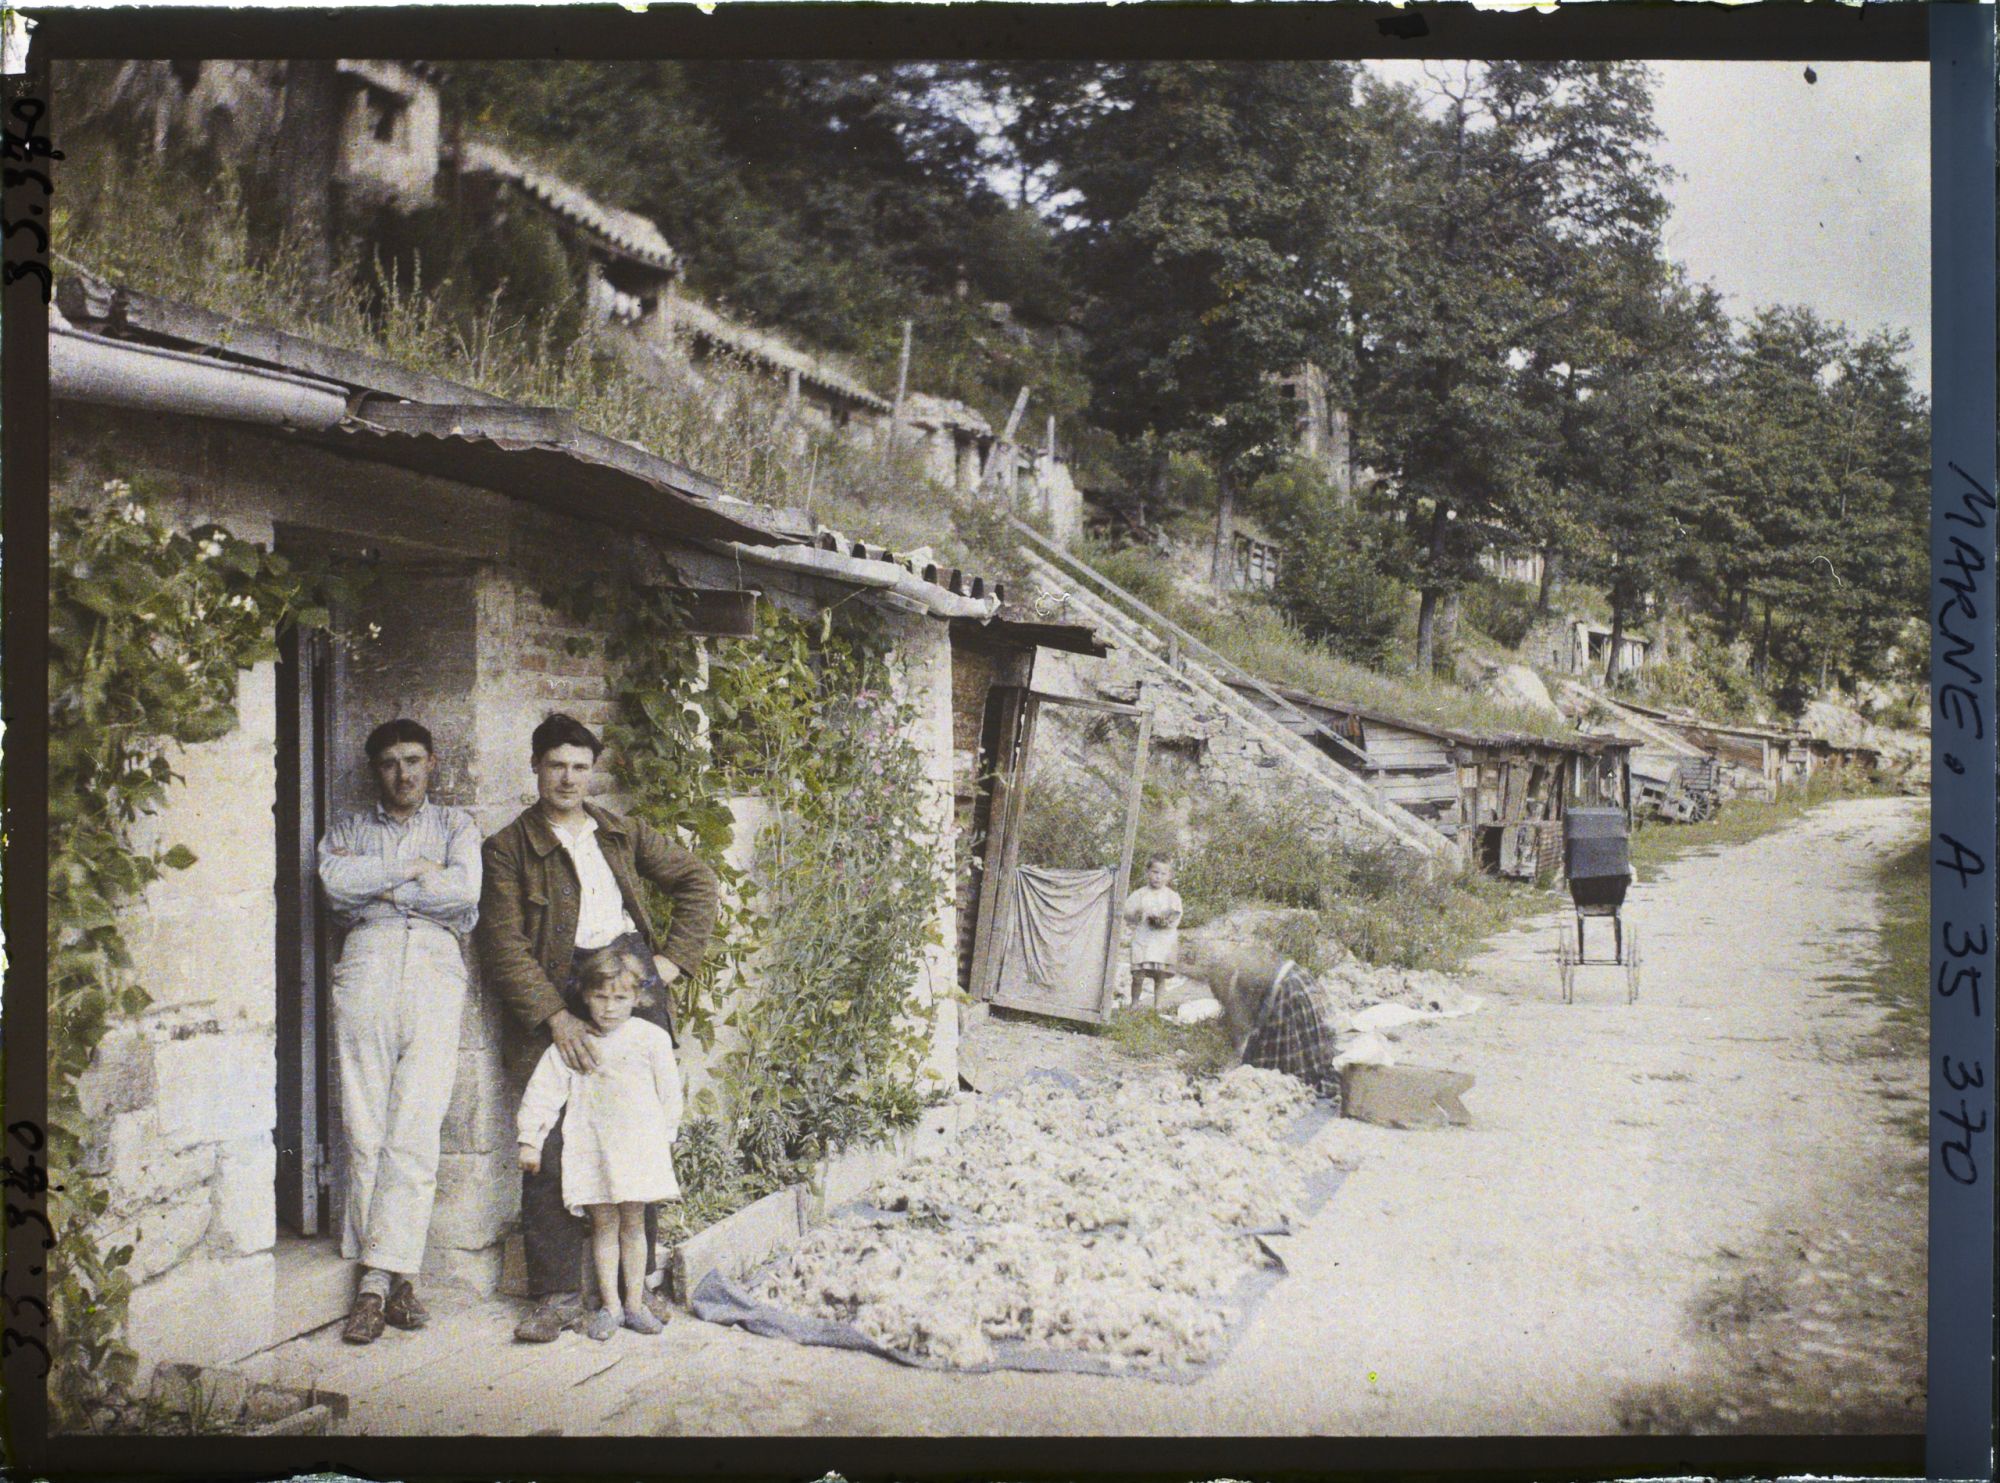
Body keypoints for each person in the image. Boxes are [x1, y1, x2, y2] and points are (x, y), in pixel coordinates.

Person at [477, 713, 720, 1344]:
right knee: (552, 1144)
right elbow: (503, 944)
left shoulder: (619, 832)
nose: (567, 778)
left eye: (580, 767)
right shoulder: (508, 848)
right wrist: (555, 1017)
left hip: (626, 980)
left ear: (593, 772)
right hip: (556, 987)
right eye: (556, 764)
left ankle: (637, 1289)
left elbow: (698, 880)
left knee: (640, 1128)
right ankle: (556, 1294)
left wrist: (668, 963)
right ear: (535, 767)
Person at [316, 718, 483, 1346]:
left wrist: (383, 882)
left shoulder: (456, 827)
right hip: (368, 961)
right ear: (375, 770)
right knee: (365, 1125)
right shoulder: (350, 828)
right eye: (389, 762)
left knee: (415, 1124)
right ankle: (389, 1279)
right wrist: (414, 872)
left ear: (433, 763)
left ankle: (379, 1281)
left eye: (414, 760)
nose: (403, 774)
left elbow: (464, 893)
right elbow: (335, 883)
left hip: (437, 967)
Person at [516, 945, 683, 1341]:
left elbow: (670, 1095)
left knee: (635, 1224)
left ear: (638, 997)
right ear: (586, 996)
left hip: (637, 1147)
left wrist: (665, 1137)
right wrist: (530, 1140)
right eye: (601, 997)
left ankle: (636, 1303)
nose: (609, 1008)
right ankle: (610, 1307)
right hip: (592, 1149)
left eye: (621, 998)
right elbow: (543, 1091)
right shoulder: (576, 1041)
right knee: (604, 1225)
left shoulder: (651, 1039)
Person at [1178, 933, 1343, 1107]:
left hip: (1286, 994)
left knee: (1278, 1071)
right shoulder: (1233, 961)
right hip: (1299, 978)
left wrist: (1232, 1056)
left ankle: (1305, 1076)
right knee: (1308, 1050)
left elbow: (1240, 1022)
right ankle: (1314, 1069)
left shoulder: (1221, 975)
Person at [1121, 855, 1183, 1010]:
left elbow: (1176, 914)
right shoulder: (1139, 894)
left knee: (1160, 975)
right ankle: (1134, 1003)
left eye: (1163, 874)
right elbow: (1128, 913)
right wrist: (1139, 914)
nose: (1158, 877)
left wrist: (1166, 920)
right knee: (1138, 973)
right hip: (1144, 936)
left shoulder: (1172, 896)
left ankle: (1157, 1007)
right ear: (1148, 872)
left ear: (1169, 876)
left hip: (1163, 939)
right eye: (1155, 872)